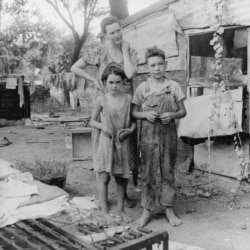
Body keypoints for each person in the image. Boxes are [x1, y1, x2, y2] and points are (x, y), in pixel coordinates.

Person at [71, 16, 138, 208]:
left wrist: (123, 50)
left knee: (124, 152)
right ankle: (104, 197)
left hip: (125, 108)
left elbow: (131, 74)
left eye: (119, 30)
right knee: (105, 149)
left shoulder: (130, 51)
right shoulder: (99, 52)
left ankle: (123, 196)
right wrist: (92, 79)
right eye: (112, 33)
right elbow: (74, 67)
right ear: (104, 35)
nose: (117, 35)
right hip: (105, 108)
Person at [132, 47, 186, 227]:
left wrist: (171, 115)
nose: (157, 68)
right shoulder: (143, 88)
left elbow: (182, 111)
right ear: (147, 67)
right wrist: (145, 114)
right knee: (147, 174)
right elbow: (134, 112)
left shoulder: (174, 87)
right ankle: (147, 210)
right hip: (148, 138)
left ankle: (168, 208)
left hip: (168, 136)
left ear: (166, 64)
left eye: (160, 64)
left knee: (168, 172)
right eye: (153, 65)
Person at [90, 64, 136, 223]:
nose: (114, 86)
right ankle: (104, 211)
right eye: (110, 82)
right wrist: (103, 126)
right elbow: (91, 121)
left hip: (122, 144)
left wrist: (129, 131)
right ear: (104, 82)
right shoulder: (101, 99)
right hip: (106, 143)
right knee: (103, 177)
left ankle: (121, 210)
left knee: (121, 178)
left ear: (123, 82)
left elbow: (134, 123)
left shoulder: (129, 99)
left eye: (118, 82)